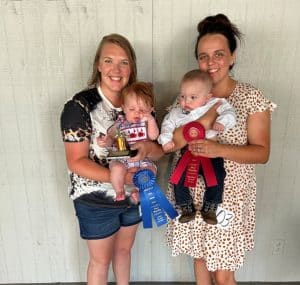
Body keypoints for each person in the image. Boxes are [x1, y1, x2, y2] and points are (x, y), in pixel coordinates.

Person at [166, 14, 276, 285]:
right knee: (200, 259)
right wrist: (206, 116)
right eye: (204, 56)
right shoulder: (187, 98)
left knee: (224, 273)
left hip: (230, 198)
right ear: (197, 61)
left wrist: (218, 150)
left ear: (232, 56)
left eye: (218, 54)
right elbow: (175, 142)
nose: (211, 62)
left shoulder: (251, 97)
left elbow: (261, 153)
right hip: (191, 193)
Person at [60, 33, 163, 285]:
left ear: (132, 67)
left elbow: (160, 150)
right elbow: (76, 162)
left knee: (124, 251)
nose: (116, 69)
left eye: (124, 62)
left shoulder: (141, 102)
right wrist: (122, 177)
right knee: (100, 262)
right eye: (109, 61)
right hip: (96, 199)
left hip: (135, 193)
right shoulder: (80, 106)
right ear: (98, 65)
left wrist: (146, 149)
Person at [158, 69, 236, 224]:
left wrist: (222, 122)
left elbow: (230, 112)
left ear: (208, 97)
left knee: (217, 177)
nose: (185, 101)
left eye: (193, 97)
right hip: (188, 152)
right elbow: (167, 125)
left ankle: (210, 207)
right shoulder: (176, 112)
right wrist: (166, 140)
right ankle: (185, 206)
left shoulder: (216, 103)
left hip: (211, 151)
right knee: (177, 178)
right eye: (182, 96)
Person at [97, 81, 159, 201]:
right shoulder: (120, 123)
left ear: (151, 109)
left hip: (143, 159)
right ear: (124, 108)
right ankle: (119, 190)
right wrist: (106, 141)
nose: (137, 112)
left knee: (150, 172)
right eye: (132, 109)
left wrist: (150, 120)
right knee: (116, 169)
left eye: (143, 110)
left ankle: (140, 192)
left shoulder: (147, 123)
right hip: (123, 158)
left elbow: (153, 136)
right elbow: (112, 138)